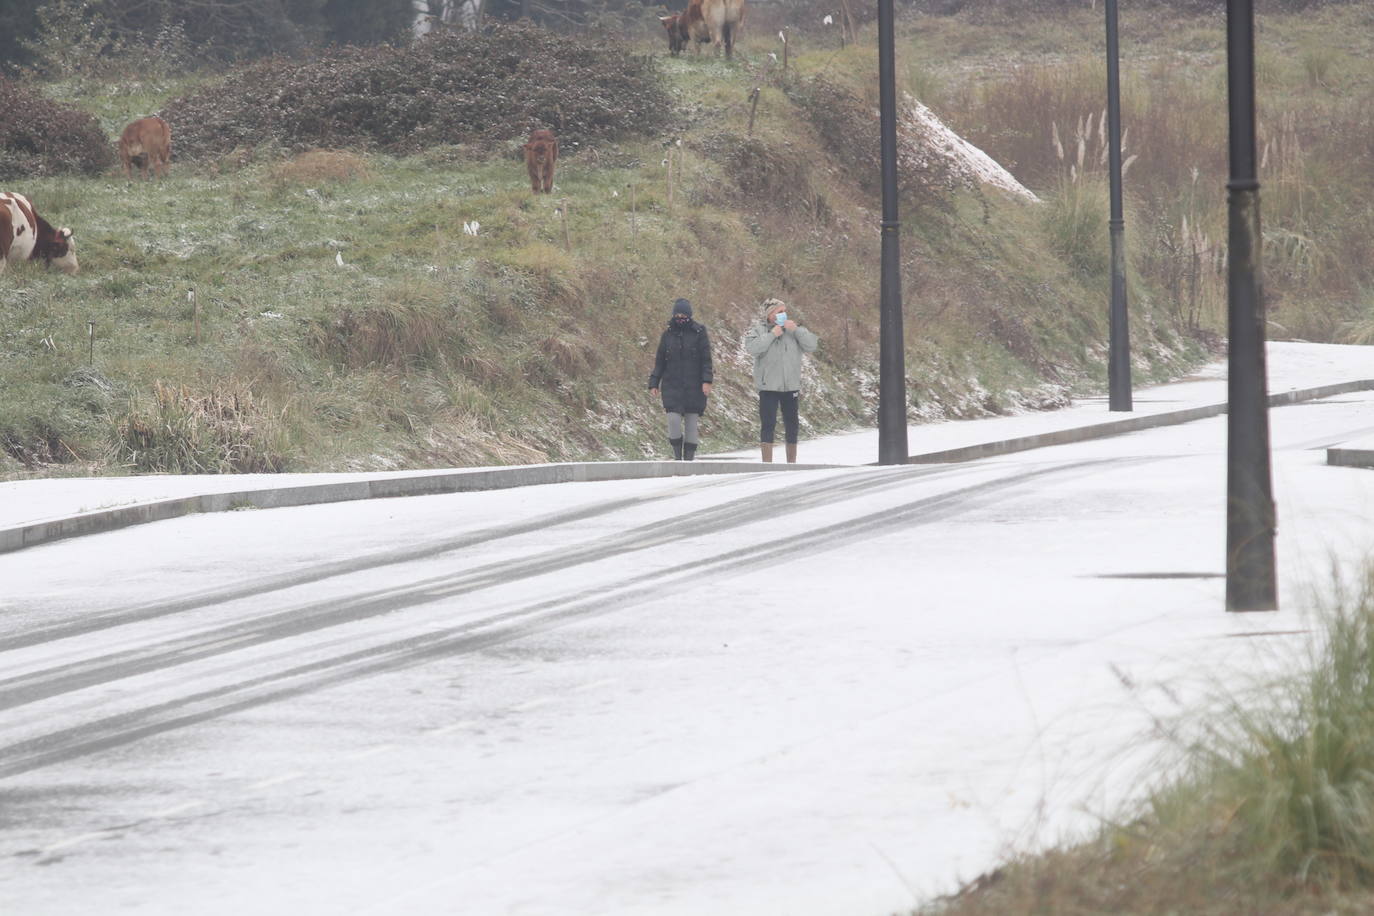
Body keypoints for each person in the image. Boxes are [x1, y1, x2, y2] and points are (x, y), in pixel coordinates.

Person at [743, 297, 819, 463]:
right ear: (770, 314)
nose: (783, 314)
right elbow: (753, 348)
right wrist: (772, 335)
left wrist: (796, 330)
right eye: (779, 312)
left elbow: (812, 345)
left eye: (785, 311)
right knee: (768, 423)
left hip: (790, 386)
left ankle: (791, 462)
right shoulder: (759, 330)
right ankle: (767, 462)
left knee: (792, 424)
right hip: (768, 387)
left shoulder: (793, 331)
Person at [649, 298, 713, 460]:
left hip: (694, 387)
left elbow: (706, 360)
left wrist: (707, 381)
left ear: (689, 315)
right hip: (672, 386)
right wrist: (654, 382)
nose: (680, 318)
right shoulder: (667, 335)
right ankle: (677, 457)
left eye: (683, 315)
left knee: (691, 424)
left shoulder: (699, 333)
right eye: (677, 315)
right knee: (673, 421)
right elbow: (660, 362)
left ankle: (689, 461)